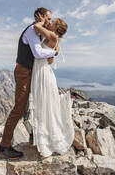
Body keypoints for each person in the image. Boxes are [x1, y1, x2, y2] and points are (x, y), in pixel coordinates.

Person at [0, 7, 57, 160]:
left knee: (33, 104)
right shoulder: (31, 30)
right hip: (24, 73)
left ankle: (33, 136)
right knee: (19, 108)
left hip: (29, 72)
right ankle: (4, 147)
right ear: (41, 17)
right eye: (48, 18)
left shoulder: (37, 32)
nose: (50, 21)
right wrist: (54, 53)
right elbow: (37, 53)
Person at [29, 15, 74, 157]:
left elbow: (36, 27)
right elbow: (50, 57)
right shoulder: (54, 39)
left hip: (42, 73)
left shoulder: (53, 36)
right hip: (41, 70)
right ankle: (43, 138)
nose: (50, 22)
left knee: (43, 104)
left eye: (53, 22)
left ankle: (47, 139)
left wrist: (42, 20)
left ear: (57, 28)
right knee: (43, 103)